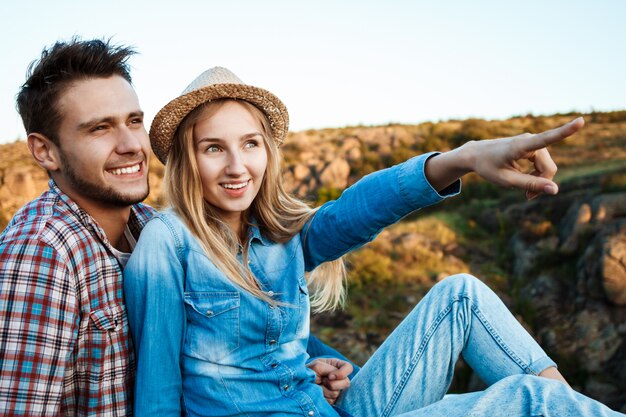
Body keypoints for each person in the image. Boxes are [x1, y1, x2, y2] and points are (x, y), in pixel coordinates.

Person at [124, 66, 624, 416]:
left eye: (250, 143)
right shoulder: (168, 244)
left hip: (324, 409)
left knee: (461, 296)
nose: (237, 166)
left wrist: (464, 158)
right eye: (214, 148)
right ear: (189, 161)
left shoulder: (282, 236)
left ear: (267, 152)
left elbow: (359, 209)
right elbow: (158, 396)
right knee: (531, 402)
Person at [0, 39, 345, 416]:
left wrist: (297, 371)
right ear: (44, 151)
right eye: (100, 128)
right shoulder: (42, 251)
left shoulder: (149, 224)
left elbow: (225, 338)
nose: (132, 144)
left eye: (134, 121)